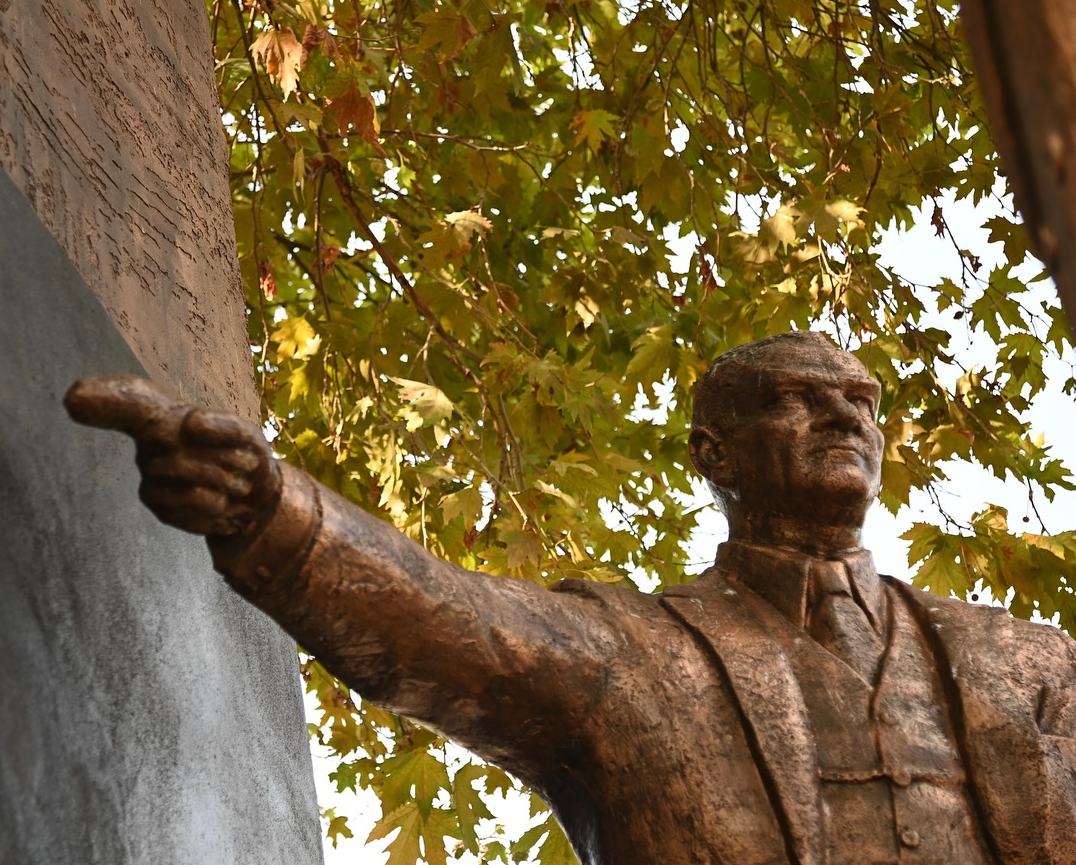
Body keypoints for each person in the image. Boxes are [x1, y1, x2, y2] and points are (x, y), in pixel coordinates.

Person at [65, 331, 1076, 865]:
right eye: (797, 395)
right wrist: (265, 506)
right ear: (712, 453)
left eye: (861, 400)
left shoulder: (1027, 663)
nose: (843, 414)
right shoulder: (632, 651)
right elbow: (436, 613)